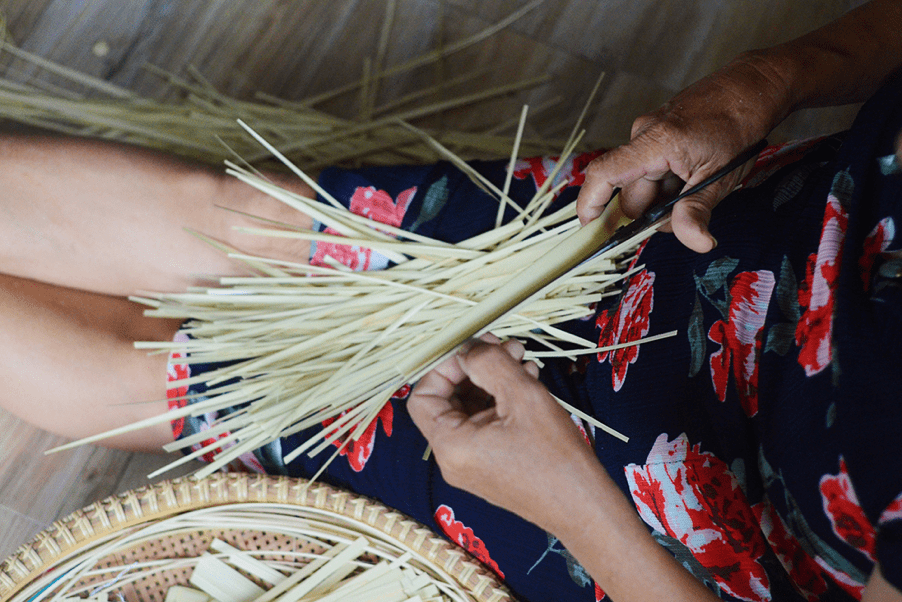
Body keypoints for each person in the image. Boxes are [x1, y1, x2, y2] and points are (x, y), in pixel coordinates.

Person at [1, 2, 901, 602]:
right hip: (656, 233)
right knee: (239, 224)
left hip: (649, 498)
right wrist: (772, 81)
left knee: (205, 384)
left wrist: (570, 502)